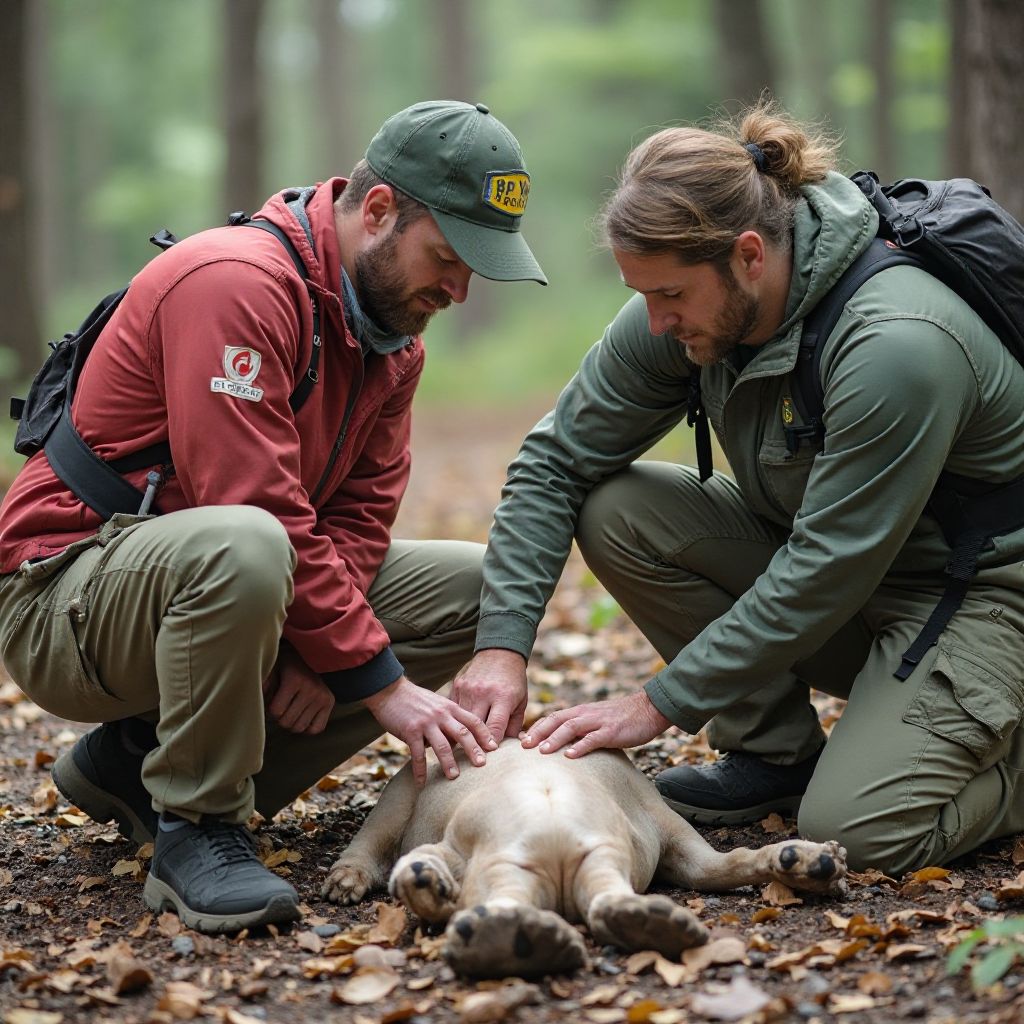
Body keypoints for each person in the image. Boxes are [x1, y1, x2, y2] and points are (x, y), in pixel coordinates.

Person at [0, 100, 545, 932]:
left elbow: (363, 511)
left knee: (472, 591)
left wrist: (327, 656)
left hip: (214, 573)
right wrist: (377, 681)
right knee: (247, 544)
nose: (460, 290)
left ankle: (133, 765)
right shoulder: (235, 284)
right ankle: (197, 826)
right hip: (65, 592)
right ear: (380, 211)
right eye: (448, 256)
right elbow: (249, 500)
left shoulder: (392, 333)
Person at [452, 100, 1024, 876]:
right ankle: (774, 755)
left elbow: (824, 569)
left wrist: (656, 705)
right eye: (643, 295)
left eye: (670, 298)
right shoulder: (698, 301)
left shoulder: (896, 345)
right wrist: (501, 647)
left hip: (982, 595)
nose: (655, 323)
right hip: (859, 583)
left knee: (859, 831)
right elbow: (554, 462)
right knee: (619, 509)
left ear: (749, 255)